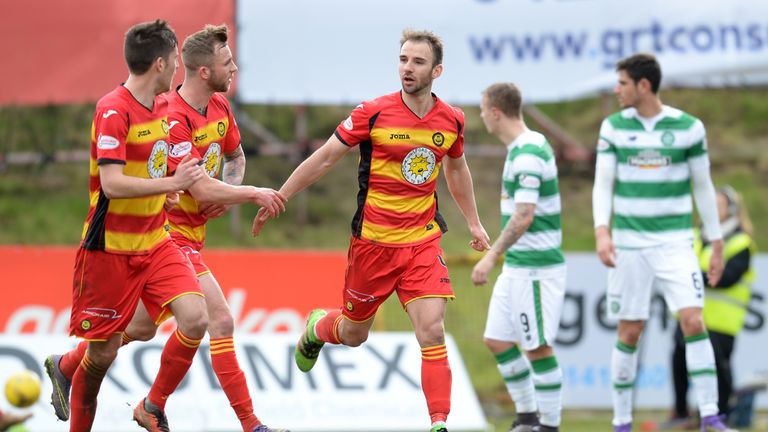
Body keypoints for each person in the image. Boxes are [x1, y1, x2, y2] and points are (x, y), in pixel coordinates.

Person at [43, 24, 287, 432]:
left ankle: (92, 377)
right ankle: (235, 422)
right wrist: (240, 193)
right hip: (125, 244)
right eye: (227, 62)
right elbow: (123, 184)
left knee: (168, 324)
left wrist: (184, 193)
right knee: (111, 353)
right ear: (164, 63)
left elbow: (220, 161)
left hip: (159, 240)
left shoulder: (181, 108)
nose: (234, 68)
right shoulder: (128, 110)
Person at [252, 29, 491, 432]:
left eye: (417, 62)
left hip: (422, 241)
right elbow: (326, 157)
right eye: (403, 60)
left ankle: (439, 423)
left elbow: (456, 168)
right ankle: (318, 327)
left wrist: (474, 221)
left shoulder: (452, 119)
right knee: (353, 333)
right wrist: (281, 195)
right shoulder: (373, 112)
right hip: (374, 245)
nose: (407, 68)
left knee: (432, 330)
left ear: (437, 71)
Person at [592, 52, 735, 432]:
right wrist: (602, 230)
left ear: (643, 85)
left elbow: (703, 186)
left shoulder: (688, 127)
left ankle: (710, 416)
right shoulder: (613, 127)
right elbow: (603, 184)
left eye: (622, 83)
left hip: (675, 243)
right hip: (629, 244)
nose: (616, 90)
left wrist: (716, 242)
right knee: (630, 331)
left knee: (693, 321)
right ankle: (622, 422)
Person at [471, 83, 565, 432]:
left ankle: (549, 425)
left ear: (496, 112)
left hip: (536, 267)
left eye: (483, 110)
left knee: (537, 348)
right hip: (519, 266)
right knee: (497, 340)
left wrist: (491, 256)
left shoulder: (528, 152)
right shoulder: (520, 149)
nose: (482, 116)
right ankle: (527, 418)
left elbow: (524, 215)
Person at [668, 186, 756, 427]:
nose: (713, 210)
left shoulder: (740, 241)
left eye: (719, 205)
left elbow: (727, 278)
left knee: (717, 367)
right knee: (679, 360)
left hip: (721, 320)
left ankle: (718, 414)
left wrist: (693, 274)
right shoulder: (695, 236)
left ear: (732, 210)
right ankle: (681, 413)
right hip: (690, 314)